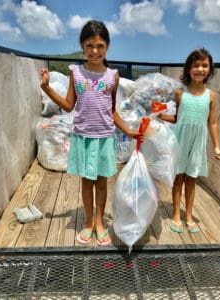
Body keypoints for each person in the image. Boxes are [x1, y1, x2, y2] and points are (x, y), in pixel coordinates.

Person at [40, 20, 140, 246]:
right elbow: (68, 105)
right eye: (90, 46)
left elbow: (111, 110)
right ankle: (87, 222)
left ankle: (100, 222)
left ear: (107, 47)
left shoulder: (112, 76)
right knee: (86, 182)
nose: (95, 51)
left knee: (102, 182)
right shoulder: (75, 73)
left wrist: (128, 131)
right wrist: (46, 87)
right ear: (82, 47)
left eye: (100, 46)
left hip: (105, 138)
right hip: (83, 138)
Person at [159, 48, 220, 233]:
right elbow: (178, 118)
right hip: (181, 140)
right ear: (188, 69)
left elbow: (212, 122)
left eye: (204, 65)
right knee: (178, 177)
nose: (200, 69)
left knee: (192, 178)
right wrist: (162, 116)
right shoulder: (180, 93)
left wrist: (217, 145)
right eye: (196, 65)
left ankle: (188, 215)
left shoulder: (210, 95)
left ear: (209, 70)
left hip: (197, 141)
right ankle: (176, 214)